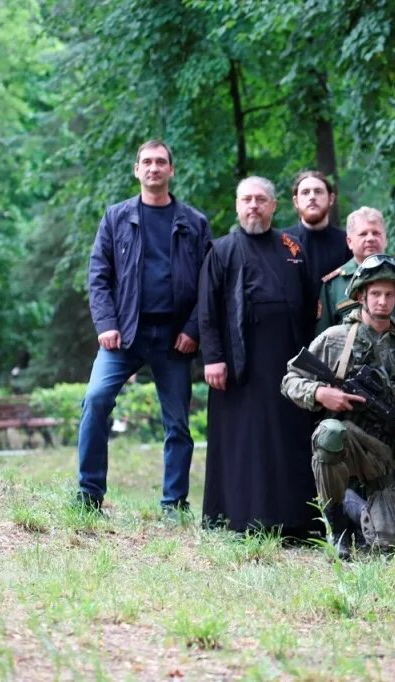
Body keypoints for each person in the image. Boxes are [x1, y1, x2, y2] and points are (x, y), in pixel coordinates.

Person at [77, 139, 211, 514]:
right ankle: (88, 496)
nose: (153, 168)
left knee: (178, 424)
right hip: (124, 335)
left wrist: (192, 329)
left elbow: (208, 284)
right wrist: (106, 323)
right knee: (95, 400)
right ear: (137, 170)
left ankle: (173, 504)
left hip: (174, 340)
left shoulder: (194, 223)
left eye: (160, 162)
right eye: (146, 162)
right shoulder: (116, 217)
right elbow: (99, 276)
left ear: (171, 170)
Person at [281, 255, 395, 557]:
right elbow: (290, 380)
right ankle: (338, 526)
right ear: (360, 296)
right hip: (349, 442)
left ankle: (357, 507)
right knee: (328, 434)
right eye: (375, 294)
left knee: (394, 546)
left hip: (391, 454)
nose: (383, 301)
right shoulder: (335, 339)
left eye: (389, 295)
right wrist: (320, 394)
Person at [198, 176, 318, 539]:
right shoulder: (221, 250)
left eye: (261, 200)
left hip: (287, 363)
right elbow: (207, 310)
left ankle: (295, 522)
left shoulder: (291, 246)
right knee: (243, 441)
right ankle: (238, 518)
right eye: (247, 199)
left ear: (274, 205)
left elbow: (310, 302)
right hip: (239, 365)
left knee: (287, 440)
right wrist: (213, 358)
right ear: (237, 206)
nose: (253, 206)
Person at [316, 206, 395, 334]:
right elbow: (323, 337)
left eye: (376, 233)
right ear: (349, 242)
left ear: (385, 239)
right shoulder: (333, 284)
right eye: (363, 234)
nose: (370, 238)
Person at [283, 170, 352, 319]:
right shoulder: (281, 242)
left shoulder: (348, 242)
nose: (312, 197)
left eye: (318, 192)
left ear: (331, 199)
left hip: (337, 329)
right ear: (296, 201)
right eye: (306, 192)